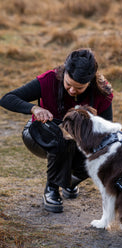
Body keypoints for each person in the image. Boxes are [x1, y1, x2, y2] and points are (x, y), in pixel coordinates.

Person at [0, 48, 113, 213]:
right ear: (64, 72)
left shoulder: (102, 92)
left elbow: (107, 127)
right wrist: (34, 109)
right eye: (68, 84)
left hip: (78, 142)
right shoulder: (49, 79)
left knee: (102, 152)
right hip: (39, 135)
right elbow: (7, 99)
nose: (72, 91)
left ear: (90, 82)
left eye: (79, 88)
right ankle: (51, 189)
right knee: (62, 140)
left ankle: (68, 182)